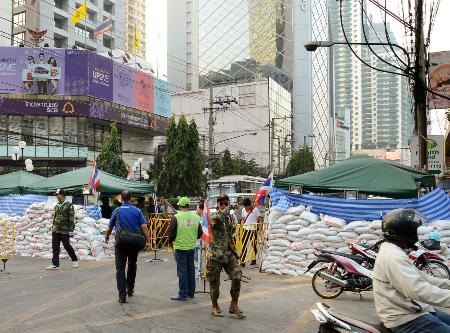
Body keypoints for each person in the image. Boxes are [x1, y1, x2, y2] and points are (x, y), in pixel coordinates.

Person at [373, 208, 450, 332]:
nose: (416, 236)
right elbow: (418, 290)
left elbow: (423, 278)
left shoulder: (395, 250)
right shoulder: (393, 256)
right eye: (414, 231)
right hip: (404, 318)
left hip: (415, 309)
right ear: (405, 233)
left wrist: (448, 285)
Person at [105, 191, 151, 303]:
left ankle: (122, 295)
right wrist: (148, 241)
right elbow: (144, 226)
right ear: (131, 198)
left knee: (120, 268)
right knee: (132, 265)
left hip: (121, 243)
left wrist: (106, 237)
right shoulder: (137, 210)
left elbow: (109, 228)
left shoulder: (117, 211)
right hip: (134, 243)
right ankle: (130, 289)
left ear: (121, 199)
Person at [207, 194, 245, 319]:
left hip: (228, 253)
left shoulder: (229, 218)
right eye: (221, 203)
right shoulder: (214, 215)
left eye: (226, 203)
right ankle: (214, 305)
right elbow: (219, 217)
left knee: (237, 276)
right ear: (218, 204)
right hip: (216, 255)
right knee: (214, 282)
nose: (223, 205)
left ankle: (233, 305)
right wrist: (228, 208)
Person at [168, 197, 203, 301]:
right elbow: (200, 233)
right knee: (191, 270)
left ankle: (183, 293)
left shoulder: (176, 217)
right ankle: (191, 292)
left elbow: (171, 233)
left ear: (180, 206)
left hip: (180, 247)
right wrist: (192, 238)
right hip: (191, 247)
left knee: (182, 271)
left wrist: (171, 242)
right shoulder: (196, 217)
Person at [46, 189, 79, 270]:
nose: (57, 196)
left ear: (62, 195)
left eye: (58, 195)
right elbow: (55, 217)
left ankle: (75, 259)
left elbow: (71, 218)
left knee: (67, 246)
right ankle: (55, 264)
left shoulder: (69, 205)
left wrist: (71, 230)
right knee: (55, 247)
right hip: (56, 230)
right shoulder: (57, 205)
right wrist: (53, 227)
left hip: (64, 230)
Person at [240, 198, 260, 267]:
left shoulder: (255, 210)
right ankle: (242, 261)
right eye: (245, 206)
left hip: (253, 229)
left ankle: (254, 260)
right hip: (245, 229)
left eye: (247, 206)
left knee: (253, 245)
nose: (246, 208)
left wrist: (258, 228)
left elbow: (259, 219)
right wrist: (242, 225)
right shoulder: (243, 210)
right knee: (243, 245)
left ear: (250, 205)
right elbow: (243, 219)